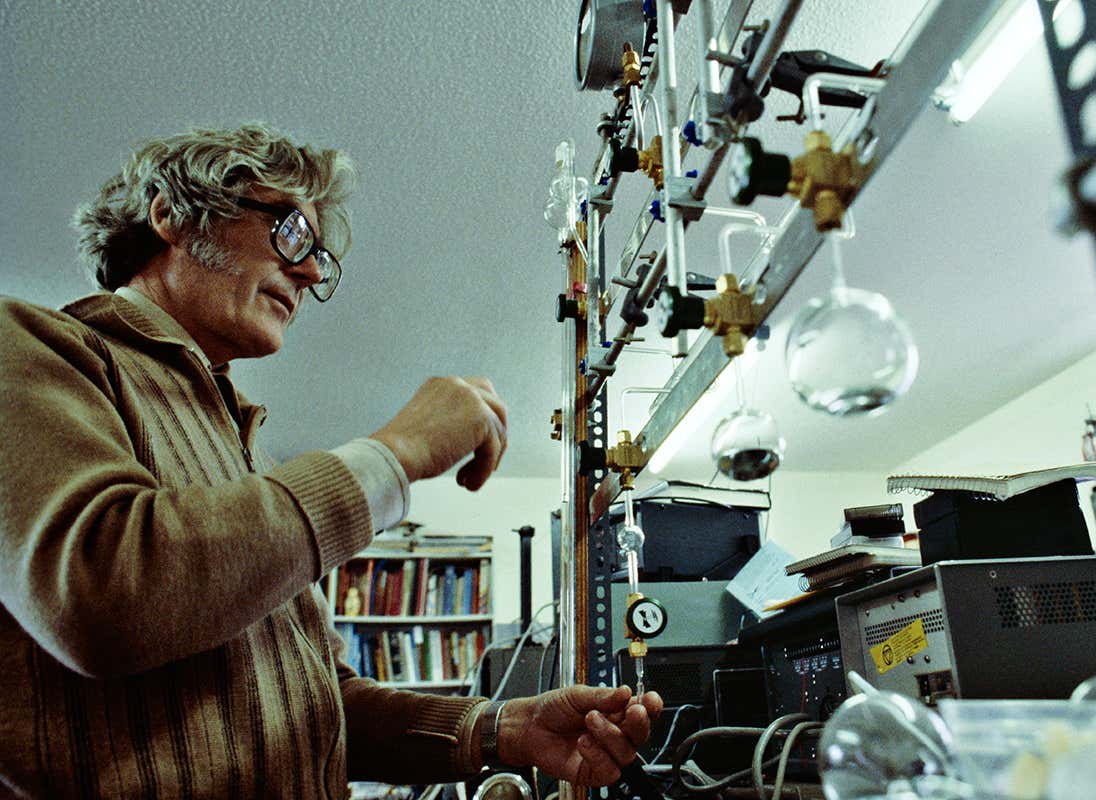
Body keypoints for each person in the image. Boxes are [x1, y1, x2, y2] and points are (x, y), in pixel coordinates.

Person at [0, 123, 662, 799]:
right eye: (289, 230)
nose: (312, 271)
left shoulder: (244, 449)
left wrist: (499, 730)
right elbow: (99, 591)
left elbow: (316, 702)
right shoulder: (30, 347)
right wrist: (392, 455)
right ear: (172, 213)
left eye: (319, 254)